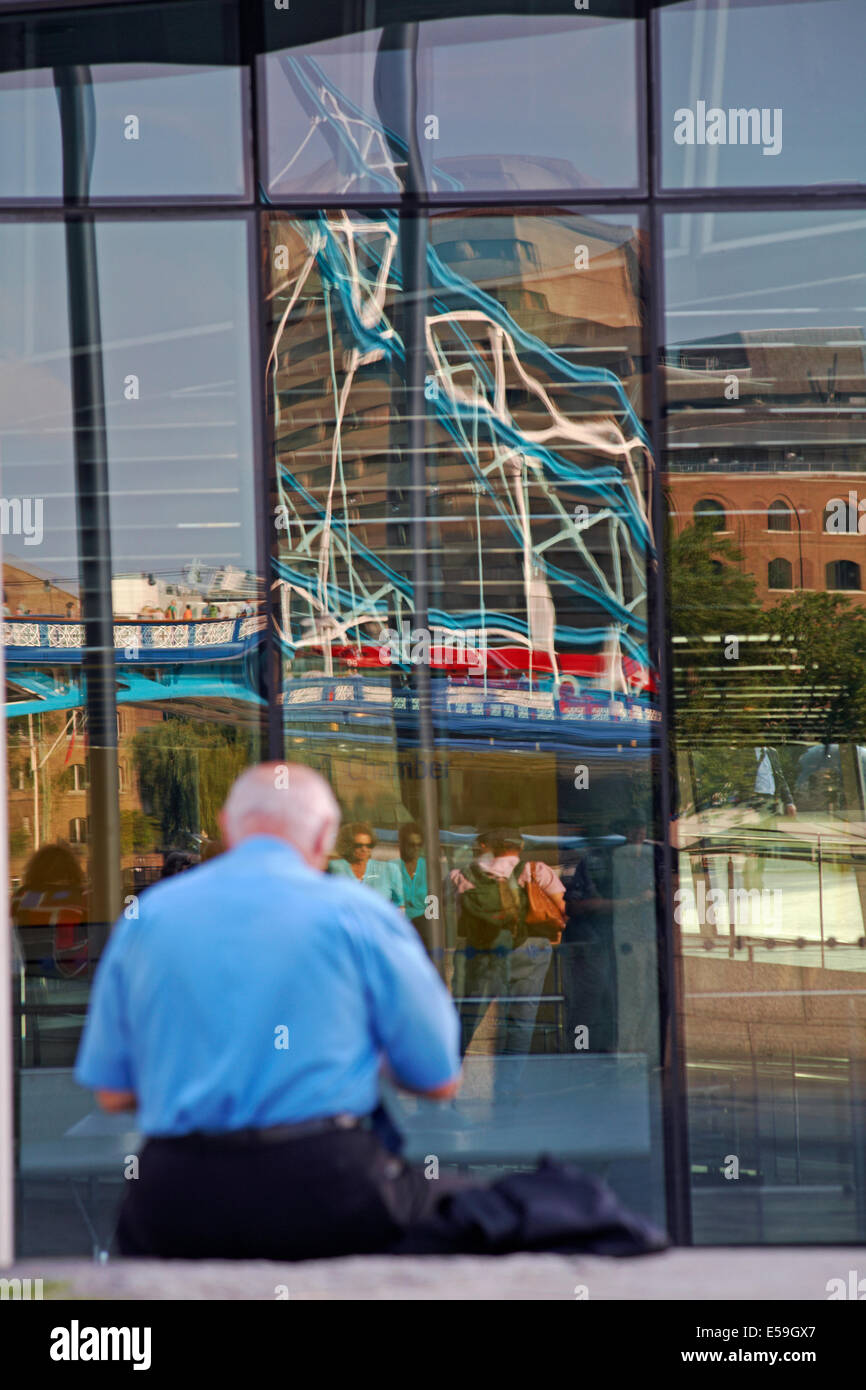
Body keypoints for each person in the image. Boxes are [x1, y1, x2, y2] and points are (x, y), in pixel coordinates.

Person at [74, 763, 461, 1260]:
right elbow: (438, 1079)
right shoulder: (362, 914)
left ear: (226, 826)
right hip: (329, 1185)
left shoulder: (148, 916)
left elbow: (112, 1093)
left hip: (178, 1193)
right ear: (325, 835)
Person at [329, 821, 404, 907]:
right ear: (347, 846)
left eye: (368, 845)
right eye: (358, 845)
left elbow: (400, 905)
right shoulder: (334, 867)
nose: (364, 849)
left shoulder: (390, 869)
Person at [398, 822, 429, 949]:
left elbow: (435, 902)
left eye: (419, 844)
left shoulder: (428, 867)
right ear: (403, 845)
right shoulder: (392, 867)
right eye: (411, 844)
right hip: (400, 926)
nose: (416, 848)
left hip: (424, 928)